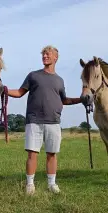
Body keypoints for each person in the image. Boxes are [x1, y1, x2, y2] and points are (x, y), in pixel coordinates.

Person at [7, 45, 82, 195]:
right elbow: (20, 92)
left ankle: (52, 184)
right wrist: (4, 90)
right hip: (34, 120)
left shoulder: (59, 80)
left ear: (56, 57)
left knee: (52, 154)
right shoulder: (33, 76)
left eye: (48, 54)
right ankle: (30, 184)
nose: (45, 56)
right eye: (43, 54)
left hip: (53, 121)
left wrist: (81, 100)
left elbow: (64, 100)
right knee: (32, 154)